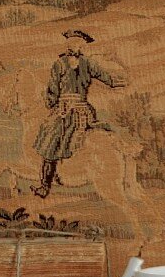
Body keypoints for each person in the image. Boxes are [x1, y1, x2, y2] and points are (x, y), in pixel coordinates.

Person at [32, 30, 125, 199]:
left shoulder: (61, 63)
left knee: (49, 140)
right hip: (84, 110)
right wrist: (118, 80)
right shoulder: (86, 63)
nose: (75, 47)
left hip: (66, 110)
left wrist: (51, 103)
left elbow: (52, 90)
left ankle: (45, 186)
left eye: (76, 44)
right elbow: (108, 79)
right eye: (76, 44)